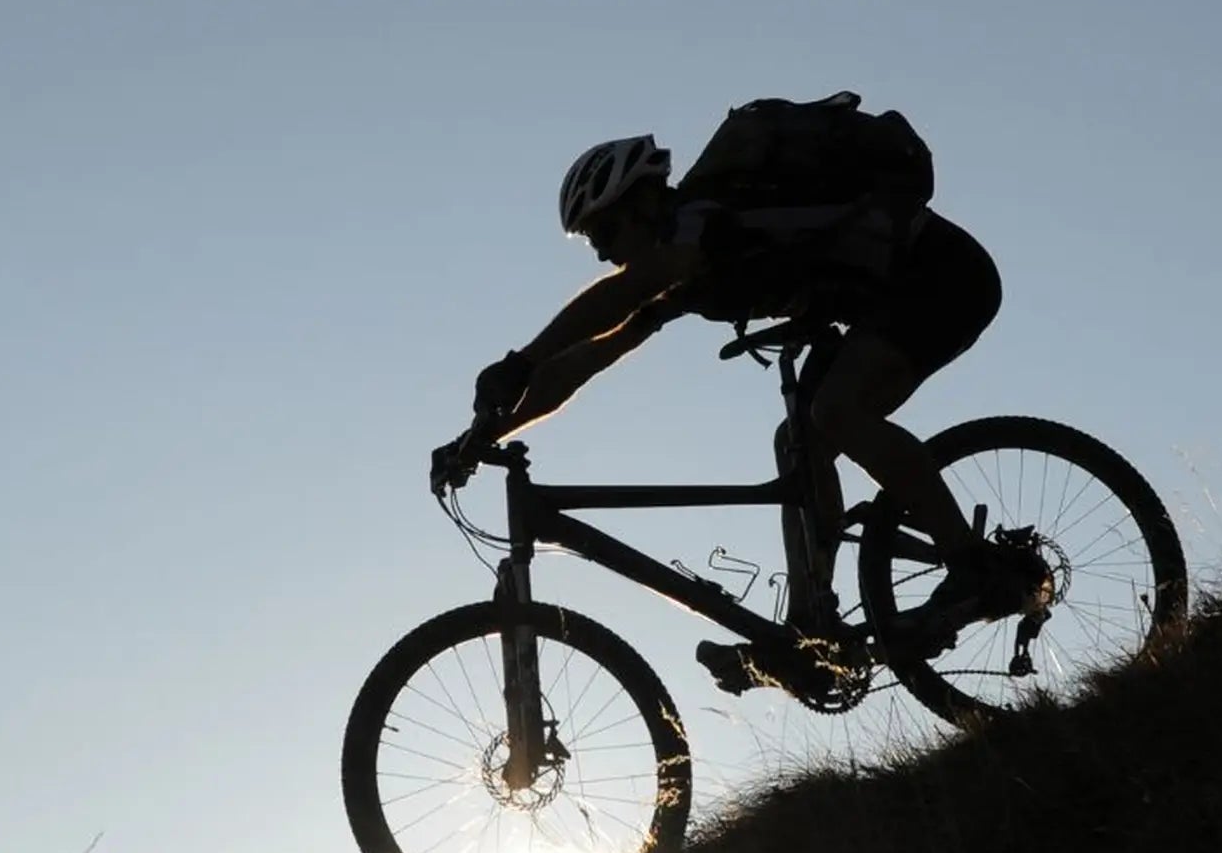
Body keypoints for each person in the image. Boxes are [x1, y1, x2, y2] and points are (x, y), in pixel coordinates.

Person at [434, 128, 1048, 696]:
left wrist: (522, 356)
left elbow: (621, 294)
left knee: (834, 413)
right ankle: (811, 626)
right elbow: (593, 356)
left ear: (642, 203)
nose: (602, 255)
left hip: (943, 274)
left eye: (604, 234)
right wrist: (484, 433)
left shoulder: (699, 223)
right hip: (883, 299)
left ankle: (969, 562)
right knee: (799, 440)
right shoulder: (680, 271)